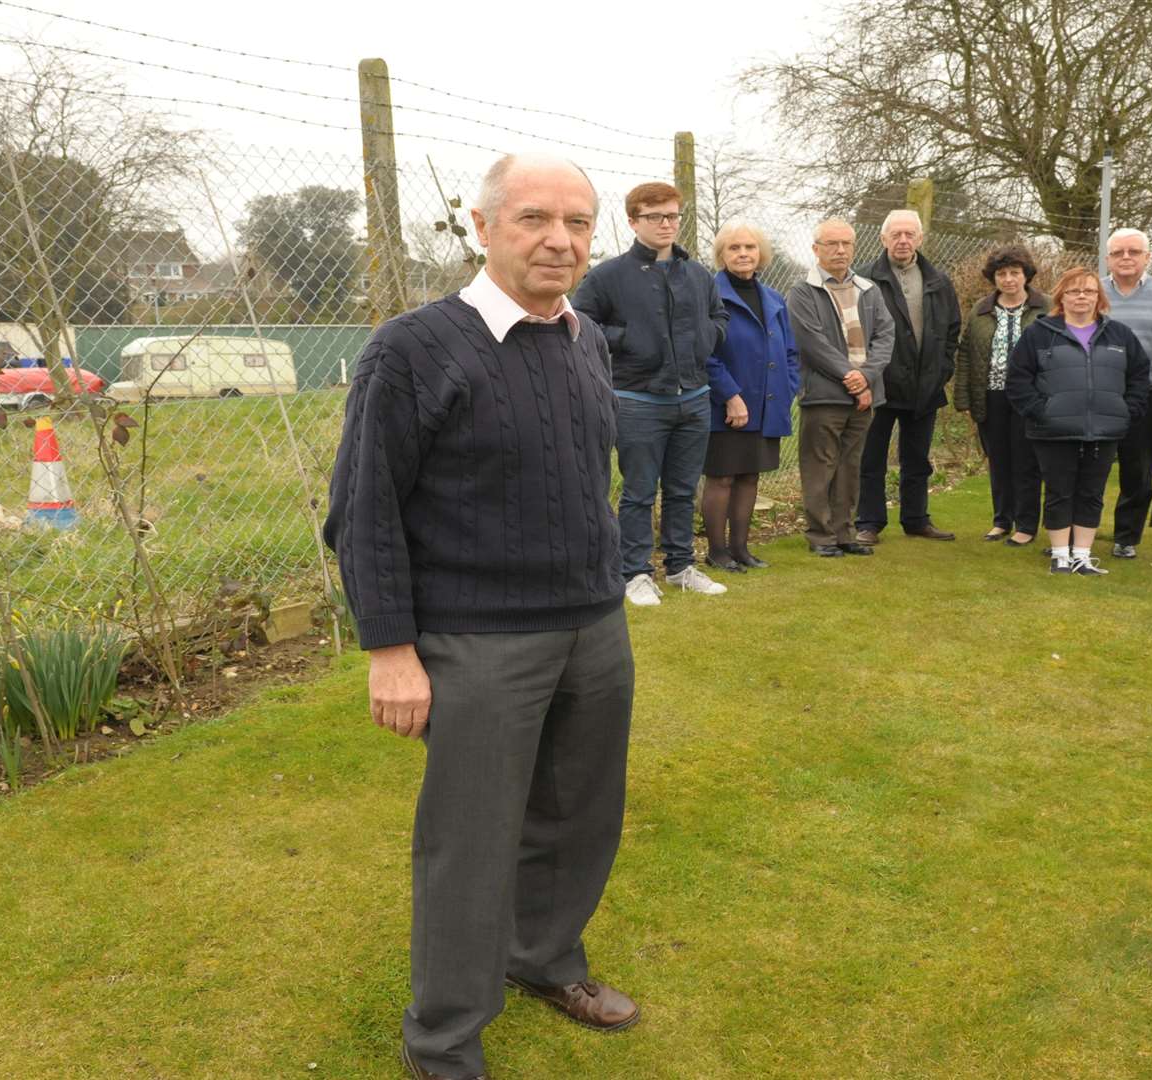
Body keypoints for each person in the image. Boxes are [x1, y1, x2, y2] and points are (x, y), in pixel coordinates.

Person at [324, 154, 641, 1080]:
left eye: (578, 223)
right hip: (478, 642)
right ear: (483, 225)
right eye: (535, 218)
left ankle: (546, 960)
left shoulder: (585, 339)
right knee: (470, 845)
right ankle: (445, 1040)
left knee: (579, 816)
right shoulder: (414, 348)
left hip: (593, 626)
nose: (560, 239)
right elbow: (364, 510)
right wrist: (391, 651)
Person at [573, 181, 729, 607]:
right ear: (632, 221)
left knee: (682, 489)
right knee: (639, 491)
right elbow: (580, 323)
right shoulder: (607, 276)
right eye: (655, 216)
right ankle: (635, 573)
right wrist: (630, 339)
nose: (666, 224)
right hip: (639, 401)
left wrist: (706, 337)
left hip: (693, 399)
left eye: (673, 216)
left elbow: (719, 317)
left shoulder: (698, 274)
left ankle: (681, 566)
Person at [1004, 266, 1149, 575]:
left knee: (1091, 492)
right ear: (1061, 297)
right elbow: (1018, 380)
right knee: (1059, 490)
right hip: (1052, 429)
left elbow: (1139, 375)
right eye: (1074, 291)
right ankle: (1060, 555)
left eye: (1089, 291)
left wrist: (1127, 409)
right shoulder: (1039, 334)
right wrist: (1040, 410)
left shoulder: (1119, 334)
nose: (1082, 296)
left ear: (1099, 297)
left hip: (1104, 429)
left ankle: (1082, 555)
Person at [853, 209, 963, 545]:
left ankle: (916, 519)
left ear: (920, 238)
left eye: (909, 234)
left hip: (925, 386)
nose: (903, 240)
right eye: (896, 235)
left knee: (917, 459)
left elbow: (952, 328)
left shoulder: (938, 281)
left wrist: (942, 371)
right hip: (880, 385)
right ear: (883, 239)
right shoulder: (865, 278)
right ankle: (869, 522)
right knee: (871, 458)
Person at [786, 218, 894, 557]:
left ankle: (846, 532)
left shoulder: (869, 289)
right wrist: (852, 377)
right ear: (816, 249)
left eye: (846, 243)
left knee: (850, 466)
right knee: (820, 467)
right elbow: (812, 343)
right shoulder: (803, 291)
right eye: (832, 244)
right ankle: (821, 536)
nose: (840, 250)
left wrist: (868, 377)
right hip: (824, 395)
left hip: (865, 395)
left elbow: (885, 336)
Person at [700, 221, 801, 572]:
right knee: (722, 477)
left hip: (767, 403)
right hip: (724, 406)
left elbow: (790, 352)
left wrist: (787, 388)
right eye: (734, 248)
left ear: (761, 254)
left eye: (750, 248)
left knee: (749, 476)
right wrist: (730, 395)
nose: (743, 254)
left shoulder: (774, 298)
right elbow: (706, 353)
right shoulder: (709, 294)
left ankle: (741, 549)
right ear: (721, 255)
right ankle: (716, 551)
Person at [952, 244, 1048, 545]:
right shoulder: (981, 310)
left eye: (1014, 273)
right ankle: (1001, 520)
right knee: (999, 460)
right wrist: (964, 398)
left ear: (1026, 275)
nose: (1008, 279)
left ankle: (1026, 525)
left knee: (1026, 462)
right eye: (1002, 274)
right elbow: (966, 354)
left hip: (1029, 398)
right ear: (993, 278)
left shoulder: (1046, 308)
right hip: (991, 396)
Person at [1101, 228, 1152, 559]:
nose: (1126, 258)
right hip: (1097, 395)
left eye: (1134, 252)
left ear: (1147, 257)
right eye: (1119, 252)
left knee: (1138, 471)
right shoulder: (1092, 292)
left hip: (1145, 396)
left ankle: (1126, 536)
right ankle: (1080, 529)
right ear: (1107, 258)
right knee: (1086, 465)